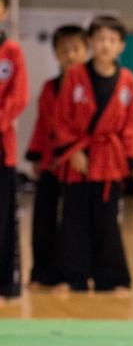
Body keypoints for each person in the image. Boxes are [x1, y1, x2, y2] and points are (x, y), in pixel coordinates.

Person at [54, 14, 133, 292]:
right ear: (91, 41)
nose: (106, 45)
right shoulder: (76, 75)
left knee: (107, 222)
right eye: (100, 38)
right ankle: (73, 278)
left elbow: (130, 122)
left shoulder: (127, 80)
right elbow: (62, 117)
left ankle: (113, 278)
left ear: (121, 46)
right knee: (74, 219)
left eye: (112, 40)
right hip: (78, 157)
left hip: (108, 160)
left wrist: (130, 158)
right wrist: (71, 151)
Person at [26, 23, 88, 286]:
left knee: (74, 222)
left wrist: (79, 152)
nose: (70, 55)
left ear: (86, 51)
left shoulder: (91, 86)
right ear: (55, 53)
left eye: (76, 49)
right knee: (43, 219)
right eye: (64, 50)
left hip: (79, 163)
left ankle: (71, 274)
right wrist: (37, 156)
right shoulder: (50, 87)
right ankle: (42, 273)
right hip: (51, 162)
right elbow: (42, 124)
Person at [0, 0, 29, 301]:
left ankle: (4, 283)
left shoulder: (12, 51)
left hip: (1, 146)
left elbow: (18, 95)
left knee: (3, 217)